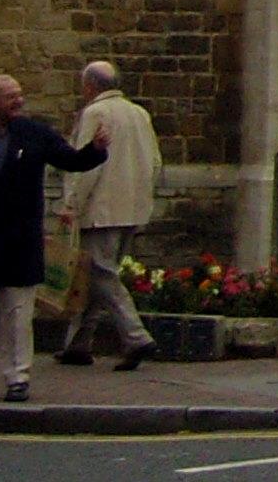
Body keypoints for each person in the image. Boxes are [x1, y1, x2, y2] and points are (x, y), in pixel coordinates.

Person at [0, 73, 108, 402]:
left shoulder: (35, 133)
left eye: (19, 94)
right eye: (10, 96)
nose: (19, 101)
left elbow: (70, 160)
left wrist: (95, 150)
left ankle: (17, 378)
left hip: (19, 239)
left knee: (17, 313)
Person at [56, 60, 163, 371]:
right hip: (132, 207)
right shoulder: (139, 113)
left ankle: (136, 336)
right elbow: (155, 162)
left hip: (101, 208)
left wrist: (72, 204)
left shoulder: (95, 113)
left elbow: (85, 165)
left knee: (102, 275)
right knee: (94, 276)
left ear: (90, 86)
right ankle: (77, 344)